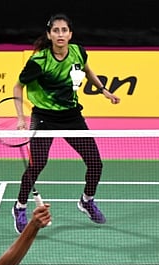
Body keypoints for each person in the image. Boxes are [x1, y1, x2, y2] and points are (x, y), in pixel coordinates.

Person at [11, 13, 119, 234]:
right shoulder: (39, 61)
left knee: (96, 163)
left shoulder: (78, 51)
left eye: (64, 30)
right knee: (37, 165)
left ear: (70, 34)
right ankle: (20, 206)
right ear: (49, 35)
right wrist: (21, 117)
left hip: (71, 117)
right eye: (56, 30)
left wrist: (104, 91)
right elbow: (17, 87)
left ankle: (86, 201)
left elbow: (88, 71)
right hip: (44, 118)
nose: (60, 34)